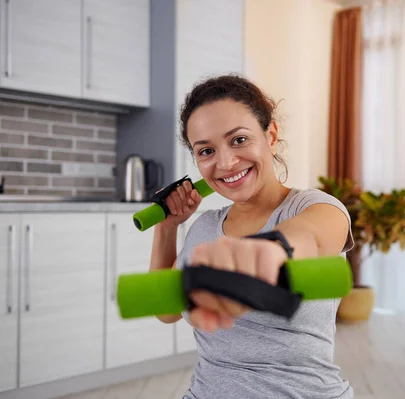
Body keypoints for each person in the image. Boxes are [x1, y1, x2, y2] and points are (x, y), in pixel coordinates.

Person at [149, 74, 355, 399]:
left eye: (239, 140)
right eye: (206, 151)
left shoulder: (315, 208)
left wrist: (271, 253)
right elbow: (166, 311)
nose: (226, 162)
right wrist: (168, 226)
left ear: (270, 135)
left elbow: (309, 238)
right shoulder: (204, 228)